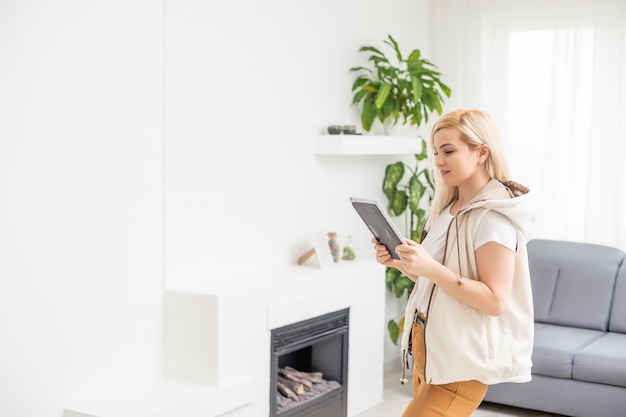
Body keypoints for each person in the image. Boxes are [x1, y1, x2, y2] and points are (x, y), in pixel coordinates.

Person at [373, 108, 534, 417]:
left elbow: (495, 300)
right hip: (428, 345)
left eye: (448, 151)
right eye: (435, 152)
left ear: (481, 152)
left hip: (460, 358)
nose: (439, 161)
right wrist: (403, 264)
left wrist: (429, 267)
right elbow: (441, 283)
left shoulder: (492, 218)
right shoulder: (446, 210)